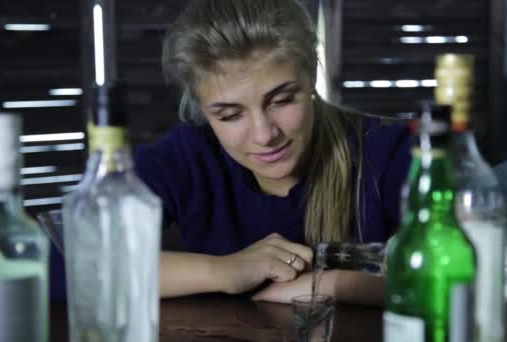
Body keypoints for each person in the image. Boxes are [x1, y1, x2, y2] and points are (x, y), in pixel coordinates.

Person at [133, 0, 412, 305]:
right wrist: (224, 271)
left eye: (282, 100)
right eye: (230, 115)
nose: (265, 135)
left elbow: (461, 276)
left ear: (311, 78)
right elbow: (79, 262)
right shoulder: (186, 157)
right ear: (201, 109)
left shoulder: (390, 151)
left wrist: (330, 285)